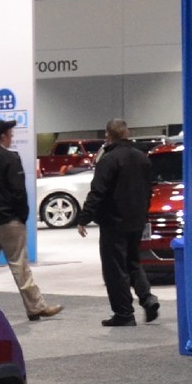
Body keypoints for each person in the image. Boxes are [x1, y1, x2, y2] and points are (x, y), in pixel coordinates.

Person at [0, 119, 61, 321]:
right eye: (11, 134)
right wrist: (22, 216)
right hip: (9, 222)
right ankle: (35, 307)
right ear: (3, 136)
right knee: (19, 265)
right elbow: (18, 192)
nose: (12, 137)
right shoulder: (9, 159)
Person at [77, 119, 160, 326]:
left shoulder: (109, 160)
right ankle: (147, 297)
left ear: (108, 135)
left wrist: (84, 218)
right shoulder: (142, 158)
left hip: (114, 221)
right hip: (136, 220)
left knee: (115, 269)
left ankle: (124, 313)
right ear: (126, 133)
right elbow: (148, 190)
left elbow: (98, 191)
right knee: (133, 261)